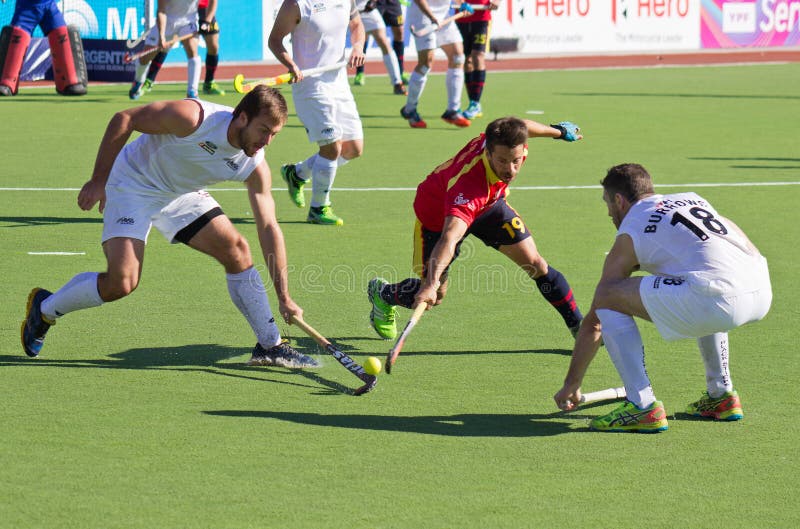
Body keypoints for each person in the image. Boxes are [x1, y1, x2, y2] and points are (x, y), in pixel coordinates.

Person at [20, 86, 319, 369]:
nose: (266, 142)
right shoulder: (194, 118)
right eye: (263, 131)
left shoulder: (253, 164)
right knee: (122, 282)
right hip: (133, 183)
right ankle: (46, 308)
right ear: (242, 117)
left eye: (274, 135)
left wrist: (284, 296)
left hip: (180, 193)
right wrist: (99, 180)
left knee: (237, 250)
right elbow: (125, 118)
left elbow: (268, 227)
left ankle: (270, 345)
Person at [553, 163, 772, 433]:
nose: (609, 212)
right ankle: (721, 396)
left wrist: (571, 384)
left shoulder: (632, 226)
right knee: (706, 281)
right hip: (761, 288)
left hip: (717, 298)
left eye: (608, 203)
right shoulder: (692, 199)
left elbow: (597, 315)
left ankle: (642, 406)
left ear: (619, 200)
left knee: (609, 296)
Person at [367, 117, 585, 344]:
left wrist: (558, 132)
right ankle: (383, 293)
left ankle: (581, 329)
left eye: (516, 161)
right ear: (488, 153)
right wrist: (431, 284)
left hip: (489, 206)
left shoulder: (508, 139)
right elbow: (449, 239)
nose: (510, 169)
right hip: (438, 217)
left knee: (536, 264)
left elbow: (523, 125)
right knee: (436, 295)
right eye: (502, 161)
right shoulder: (469, 187)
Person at [268, 0, 366, 226]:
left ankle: (298, 174)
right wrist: (291, 64)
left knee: (353, 149)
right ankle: (319, 207)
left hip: (338, 81)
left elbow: (357, 24)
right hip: (311, 85)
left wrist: (358, 47)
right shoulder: (297, 4)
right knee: (332, 147)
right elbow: (274, 40)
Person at [400, 1, 473, 128]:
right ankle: (410, 109)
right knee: (425, 64)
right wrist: (432, 17)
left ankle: (453, 111)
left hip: (443, 17)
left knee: (458, 57)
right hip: (422, 17)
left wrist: (462, 3)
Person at [136, 0, 225, 97]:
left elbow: (213, 1)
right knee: (167, 44)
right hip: (182, 12)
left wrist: (207, 21)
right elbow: (161, 10)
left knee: (213, 46)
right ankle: (149, 80)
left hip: (204, 9)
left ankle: (208, 83)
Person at [0, 0, 87, 96]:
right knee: (17, 37)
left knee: (61, 35)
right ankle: (7, 81)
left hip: (49, 6)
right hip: (27, 6)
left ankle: (70, 81)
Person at [129, 0, 200, 100]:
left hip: (188, 22)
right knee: (145, 57)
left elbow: (209, 2)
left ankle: (192, 91)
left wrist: (207, 21)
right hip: (167, 21)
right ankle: (139, 80)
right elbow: (161, 11)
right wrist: (162, 36)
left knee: (192, 48)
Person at [352, 0, 406, 95]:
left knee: (384, 42)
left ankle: (397, 83)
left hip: (369, 11)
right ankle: (358, 73)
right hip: (350, 13)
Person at [456, 0, 498, 119]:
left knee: (478, 56)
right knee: (467, 60)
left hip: (482, 17)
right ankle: (473, 103)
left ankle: (475, 103)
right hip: (461, 17)